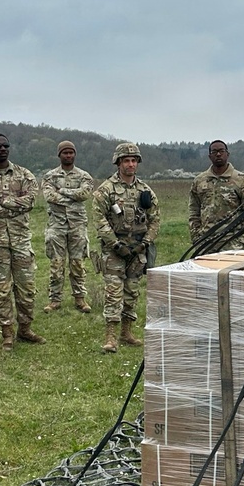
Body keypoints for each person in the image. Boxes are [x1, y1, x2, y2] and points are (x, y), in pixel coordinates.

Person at [0, 134, 44, 349]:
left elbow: (30, 201)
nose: (2, 149)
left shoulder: (24, 174)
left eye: (5, 146)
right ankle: (7, 333)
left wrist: (2, 201)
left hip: (21, 240)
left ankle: (25, 329)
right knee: (1, 290)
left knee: (27, 288)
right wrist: (15, 205)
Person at [92, 144, 160, 353]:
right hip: (114, 249)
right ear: (118, 163)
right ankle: (111, 337)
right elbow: (99, 218)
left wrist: (144, 243)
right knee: (114, 292)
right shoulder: (106, 190)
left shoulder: (145, 191)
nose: (131, 164)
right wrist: (114, 244)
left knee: (132, 291)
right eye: (126, 161)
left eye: (134, 160)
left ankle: (126, 332)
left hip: (137, 249)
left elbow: (155, 220)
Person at [41, 140, 94, 313]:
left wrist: (63, 191)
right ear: (59, 155)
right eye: (65, 152)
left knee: (77, 263)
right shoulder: (50, 176)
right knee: (57, 263)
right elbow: (50, 197)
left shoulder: (84, 176)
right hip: (56, 224)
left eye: (71, 152)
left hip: (77, 224)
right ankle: (55, 299)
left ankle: (80, 298)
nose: (68, 155)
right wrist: (73, 198)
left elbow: (84, 194)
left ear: (75, 154)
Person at [188, 140, 244, 250]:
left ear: (227, 154)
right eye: (214, 152)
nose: (218, 154)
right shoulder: (199, 181)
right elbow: (194, 211)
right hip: (205, 244)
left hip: (232, 243)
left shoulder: (242, 180)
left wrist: (241, 240)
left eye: (221, 151)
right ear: (209, 156)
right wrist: (197, 238)